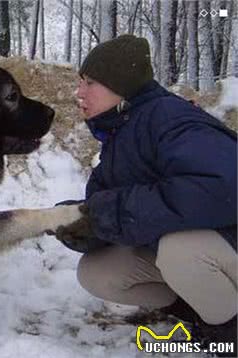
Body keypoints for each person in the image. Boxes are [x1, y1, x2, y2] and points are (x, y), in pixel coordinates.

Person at [54, 34, 237, 353]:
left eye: (91, 82)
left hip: (227, 242)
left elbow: (224, 186)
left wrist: (114, 212)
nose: (79, 92)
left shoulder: (170, 118)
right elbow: (115, 209)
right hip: (210, 252)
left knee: (179, 251)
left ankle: (229, 328)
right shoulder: (121, 133)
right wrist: (86, 225)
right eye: (80, 81)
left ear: (121, 86)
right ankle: (198, 309)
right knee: (97, 271)